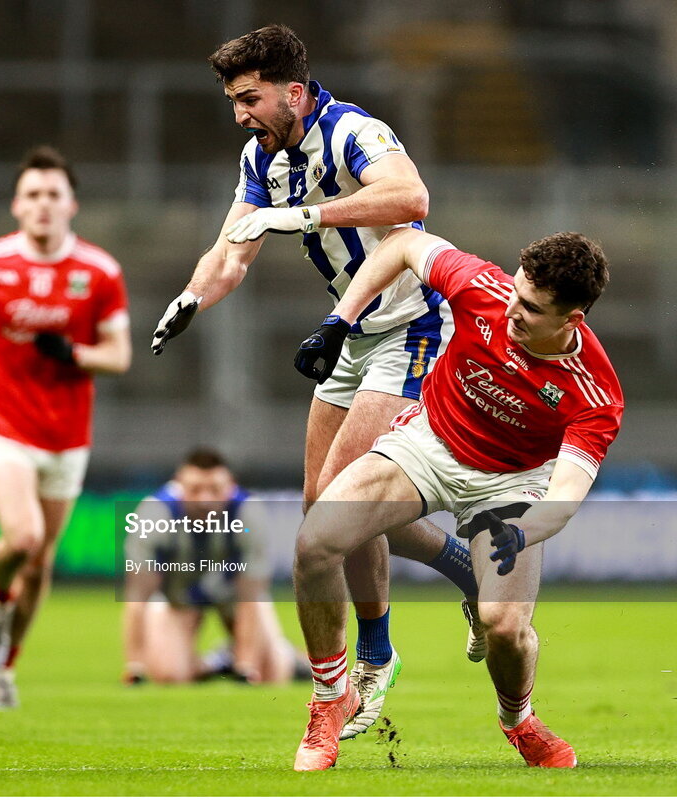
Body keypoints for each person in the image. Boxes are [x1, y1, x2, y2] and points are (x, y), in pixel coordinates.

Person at [150, 23, 478, 737]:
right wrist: (190, 298)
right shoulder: (258, 156)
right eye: (234, 100)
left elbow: (410, 198)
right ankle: (466, 569)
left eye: (250, 98)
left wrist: (305, 214)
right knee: (317, 505)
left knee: (338, 506)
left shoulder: (353, 130)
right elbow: (231, 251)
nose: (239, 113)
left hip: (412, 327)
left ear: (294, 92)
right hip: (351, 333)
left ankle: (376, 656)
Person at [290, 227, 621, 770]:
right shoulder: (482, 288)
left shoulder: (595, 392)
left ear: (572, 321)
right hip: (428, 444)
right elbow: (399, 243)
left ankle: (519, 720)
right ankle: (330, 699)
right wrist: (339, 320)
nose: (512, 310)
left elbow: (563, 495)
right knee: (316, 540)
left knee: (504, 626)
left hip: (511, 485)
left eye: (532, 309)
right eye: (515, 293)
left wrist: (521, 533)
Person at [0, 146, 132, 709]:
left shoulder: (99, 272)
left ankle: (5, 668)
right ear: (16, 205)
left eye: (53, 194)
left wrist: (74, 352)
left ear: (72, 205)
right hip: (2, 424)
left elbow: (118, 355)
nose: (43, 204)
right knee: (22, 539)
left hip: (67, 434)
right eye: (33, 195)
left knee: (43, 561)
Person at [122, 448, 309, 685]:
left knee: (271, 674)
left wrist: (246, 668)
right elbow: (138, 594)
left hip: (233, 596)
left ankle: (290, 658)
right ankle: (216, 662)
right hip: (178, 598)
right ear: (178, 486)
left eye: (214, 490)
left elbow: (250, 594)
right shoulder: (155, 514)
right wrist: (135, 665)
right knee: (170, 675)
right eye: (195, 490)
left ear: (230, 487)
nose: (204, 500)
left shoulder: (248, 513)